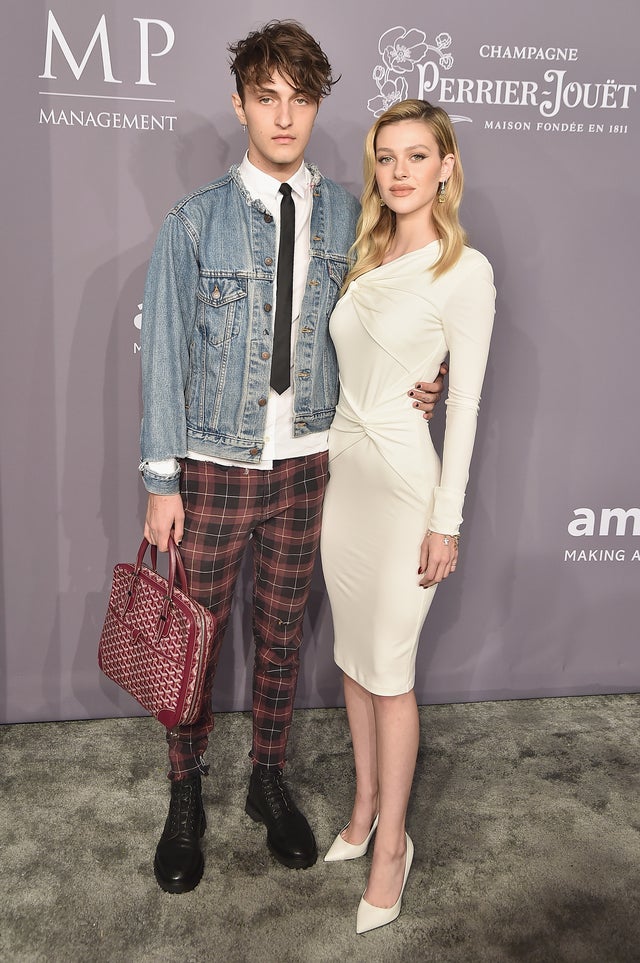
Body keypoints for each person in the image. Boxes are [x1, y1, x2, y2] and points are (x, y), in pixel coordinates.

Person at [139, 23, 444, 894]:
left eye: (300, 98)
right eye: (266, 96)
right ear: (240, 104)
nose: (283, 115)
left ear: (316, 107)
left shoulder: (353, 214)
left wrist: (429, 372)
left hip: (312, 464)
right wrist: (161, 477)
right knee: (192, 645)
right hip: (212, 467)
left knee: (279, 637)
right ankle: (184, 790)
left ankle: (265, 776)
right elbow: (162, 353)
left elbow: (398, 310)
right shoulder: (194, 222)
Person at [320, 99, 496, 933]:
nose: (397, 172)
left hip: (402, 488)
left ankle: (394, 844)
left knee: (390, 669)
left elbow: (462, 406)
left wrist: (446, 521)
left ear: (446, 167)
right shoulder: (365, 252)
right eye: (386, 157)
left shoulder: (466, 271)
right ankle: (361, 807)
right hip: (344, 477)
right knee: (354, 661)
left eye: (416, 157)